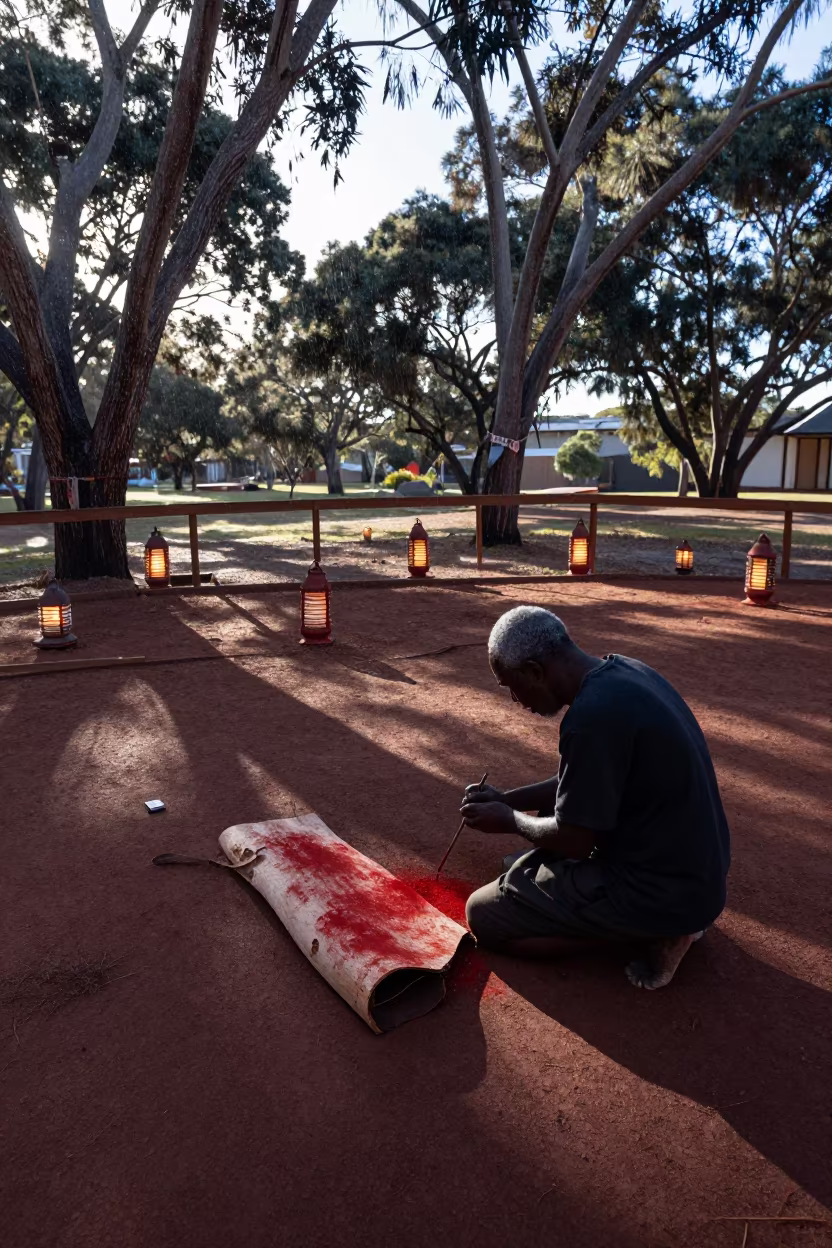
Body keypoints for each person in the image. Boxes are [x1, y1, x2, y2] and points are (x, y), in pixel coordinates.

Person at [461, 606, 730, 989]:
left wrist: (508, 820)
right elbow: (582, 781)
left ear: (535, 671)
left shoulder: (591, 719)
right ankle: (660, 920)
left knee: (485, 915)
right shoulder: (624, 671)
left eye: (511, 686)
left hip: (661, 891)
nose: (515, 700)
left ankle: (653, 933)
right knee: (537, 840)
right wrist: (507, 798)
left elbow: (575, 841)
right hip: (694, 876)